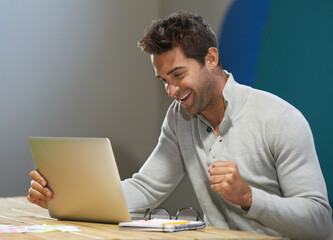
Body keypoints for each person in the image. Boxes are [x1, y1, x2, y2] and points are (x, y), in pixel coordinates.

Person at [28, 11, 332, 239]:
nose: (172, 92)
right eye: (163, 81)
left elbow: (320, 223)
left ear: (211, 58)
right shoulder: (180, 117)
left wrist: (250, 198)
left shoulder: (281, 120)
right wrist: (66, 197)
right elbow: (146, 187)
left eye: (178, 75)